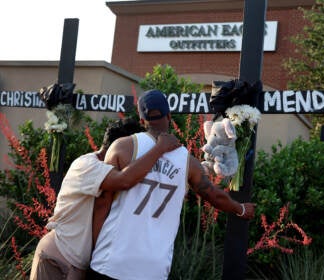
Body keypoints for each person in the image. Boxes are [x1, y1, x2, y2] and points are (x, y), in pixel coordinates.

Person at [88, 89, 257, 280]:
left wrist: (93, 249)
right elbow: (214, 195)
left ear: (141, 118)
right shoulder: (188, 162)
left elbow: (103, 203)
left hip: (111, 261)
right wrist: (240, 209)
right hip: (154, 268)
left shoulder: (122, 147)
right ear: (169, 115)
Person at [30, 117, 181, 280]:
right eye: (134, 150)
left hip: (76, 263)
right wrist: (159, 148)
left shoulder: (107, 169)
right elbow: (124, 180)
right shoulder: (88, 165)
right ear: (119, 147)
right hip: (58, 257)